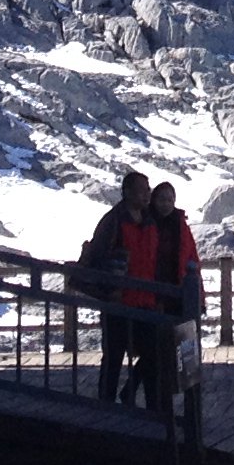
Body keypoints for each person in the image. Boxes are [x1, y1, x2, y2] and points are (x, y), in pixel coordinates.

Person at [124, 179, 202, 415]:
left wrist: (198, 295)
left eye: (170, 200)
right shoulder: (147, 224)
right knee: (155, 351)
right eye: (162, 199)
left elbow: (192, 257)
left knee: (169, 351)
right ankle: (154, 404)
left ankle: (159, 403)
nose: (166, 204)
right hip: (153, 296)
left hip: (177, 295)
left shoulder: (180, 224)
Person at [80, 172, 152, 405]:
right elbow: (99, 257)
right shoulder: (113, 221)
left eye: (148, 189)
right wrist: (110, 288)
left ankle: (128, 392)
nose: (147, 193)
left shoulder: (149, 219)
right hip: (117, 301)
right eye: (142, 189)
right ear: (128, 192)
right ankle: (106, 404)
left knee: (153, 351)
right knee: (113, 356)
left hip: (144, 300)